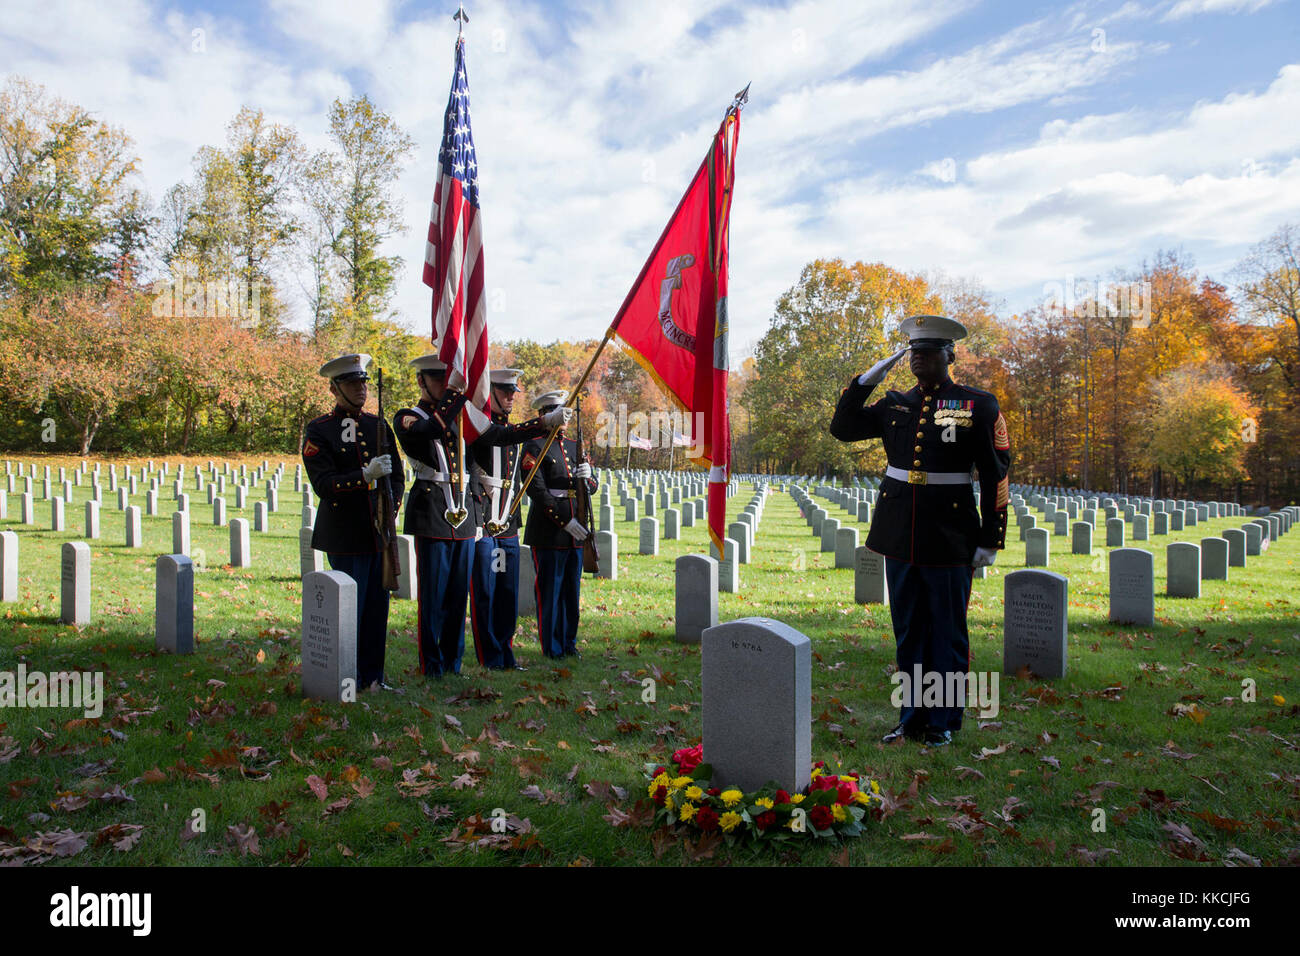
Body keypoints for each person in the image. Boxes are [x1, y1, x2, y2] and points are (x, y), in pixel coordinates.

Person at [829, 315, 1010, 747]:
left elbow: (995, 471)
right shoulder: (894, 403)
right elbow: (842, 428)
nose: (919, 360)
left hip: (950, 534)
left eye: (929, 353)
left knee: (946, 633)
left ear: (950, 355)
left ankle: (942, 722)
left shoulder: (976, 405)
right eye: (914, 353)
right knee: (909, 631)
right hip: (899, 532)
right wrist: (865, 381)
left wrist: (990, 537)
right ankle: (910, 719)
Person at [393, 356, 566, 677]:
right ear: (421, 381)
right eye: (439, 381)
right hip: (432, 513)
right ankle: (432, 666)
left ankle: (453, 663)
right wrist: (456, 395)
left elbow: (500, 435)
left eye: (450, 381)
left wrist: (543, 423)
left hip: (465, 516)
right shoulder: (407, 417)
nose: (446, 387)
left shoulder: (461, 414)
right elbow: (431, 429)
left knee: (458, 595)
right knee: (434, 596)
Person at [301, 353, 404, 691]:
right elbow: (324, 485)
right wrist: (363, 475)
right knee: (351, 612)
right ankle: (347, 676)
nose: (360, 389)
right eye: (351, 383)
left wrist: (392, 509)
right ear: (335, 389)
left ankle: (374, 677)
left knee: (377, 611)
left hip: (378, 535)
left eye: (362, 382)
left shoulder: (378, 425)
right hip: (346, 534)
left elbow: (399, 476)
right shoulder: (319, 429)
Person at [520, 390, 598, 659]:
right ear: (544, 415)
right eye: (556, 411)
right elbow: (536, 489)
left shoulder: (576, 446)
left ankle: (568, 642)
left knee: (570, 593)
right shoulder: (534, 446)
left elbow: (592, 487)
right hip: (549, 530)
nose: (564, 417)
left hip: (576, 532)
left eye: (565, 411)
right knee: (550, 592)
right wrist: (565, 522)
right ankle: (551, 647)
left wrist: (589, 479)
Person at [468, 368, 532, 670]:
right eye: (505, 391)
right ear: (489, 393)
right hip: (484, 524)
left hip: (508, 524)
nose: (510, 397)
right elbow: (469, 476)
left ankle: (506, 651)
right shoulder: (479, 430)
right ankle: (489, 655)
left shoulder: (514, 434)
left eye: (513, 392)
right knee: (485, 592)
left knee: (507, 593)